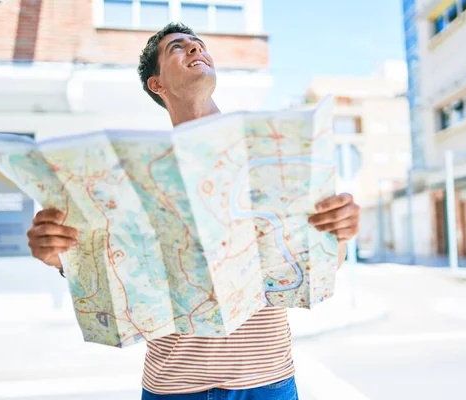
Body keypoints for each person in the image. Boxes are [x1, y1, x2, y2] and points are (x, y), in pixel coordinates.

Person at [26, 22, 361, 400]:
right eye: (178, 47)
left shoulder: (269, 155)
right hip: (173, 387)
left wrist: (339, 233)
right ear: (157, 84)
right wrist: (61, 257)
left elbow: (321, 263)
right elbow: (110, 265)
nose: (195, 49)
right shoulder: (139, 175)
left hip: (268, 381)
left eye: (199, 45)